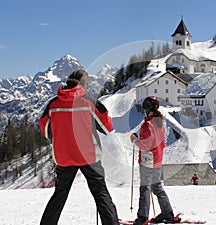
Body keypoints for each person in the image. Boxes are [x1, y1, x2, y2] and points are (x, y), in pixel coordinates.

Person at [38, 70, 119, 225]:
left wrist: (58, 139)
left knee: (59, 196)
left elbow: (44, 126)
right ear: (84, 83)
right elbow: (107, 126)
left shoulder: (54, 103)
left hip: (64, 157)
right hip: (89, 156)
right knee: (101, 194)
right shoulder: (89, 101)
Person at [130, 96, 178, 225]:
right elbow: (162, 143)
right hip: (157, 159)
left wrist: (134, 139)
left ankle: (142, 217)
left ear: (148, 109)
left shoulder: (147, 124)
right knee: (156, 187)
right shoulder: (160, 123)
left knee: (145, 188)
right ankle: (167, 213)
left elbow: (145, 145)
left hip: (148, 159)